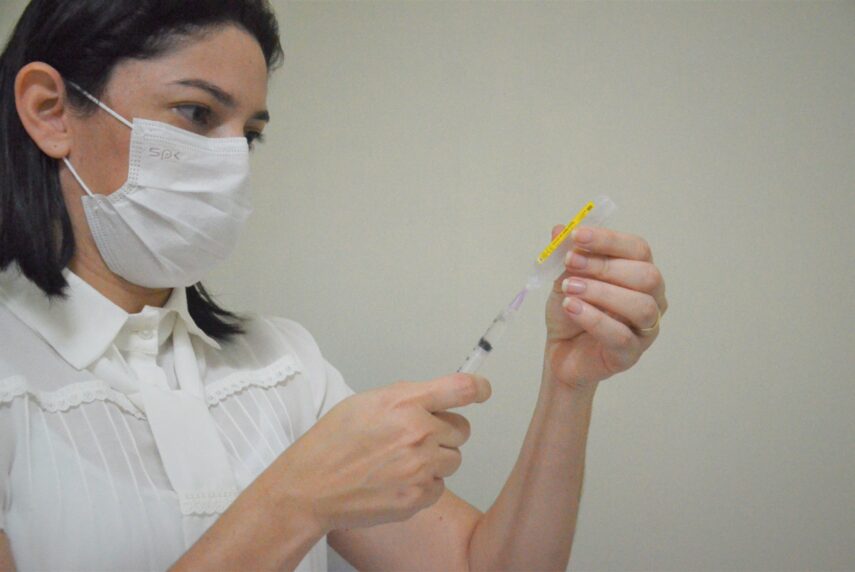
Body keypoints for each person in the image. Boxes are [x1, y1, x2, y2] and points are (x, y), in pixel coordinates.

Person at [0, 1, 667, 570]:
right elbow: (299, 500)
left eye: (249, 135)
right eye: (197, 114)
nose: (231, 165)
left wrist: (569, 384)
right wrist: (296, 500)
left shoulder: (281, 364)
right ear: (50, 110)